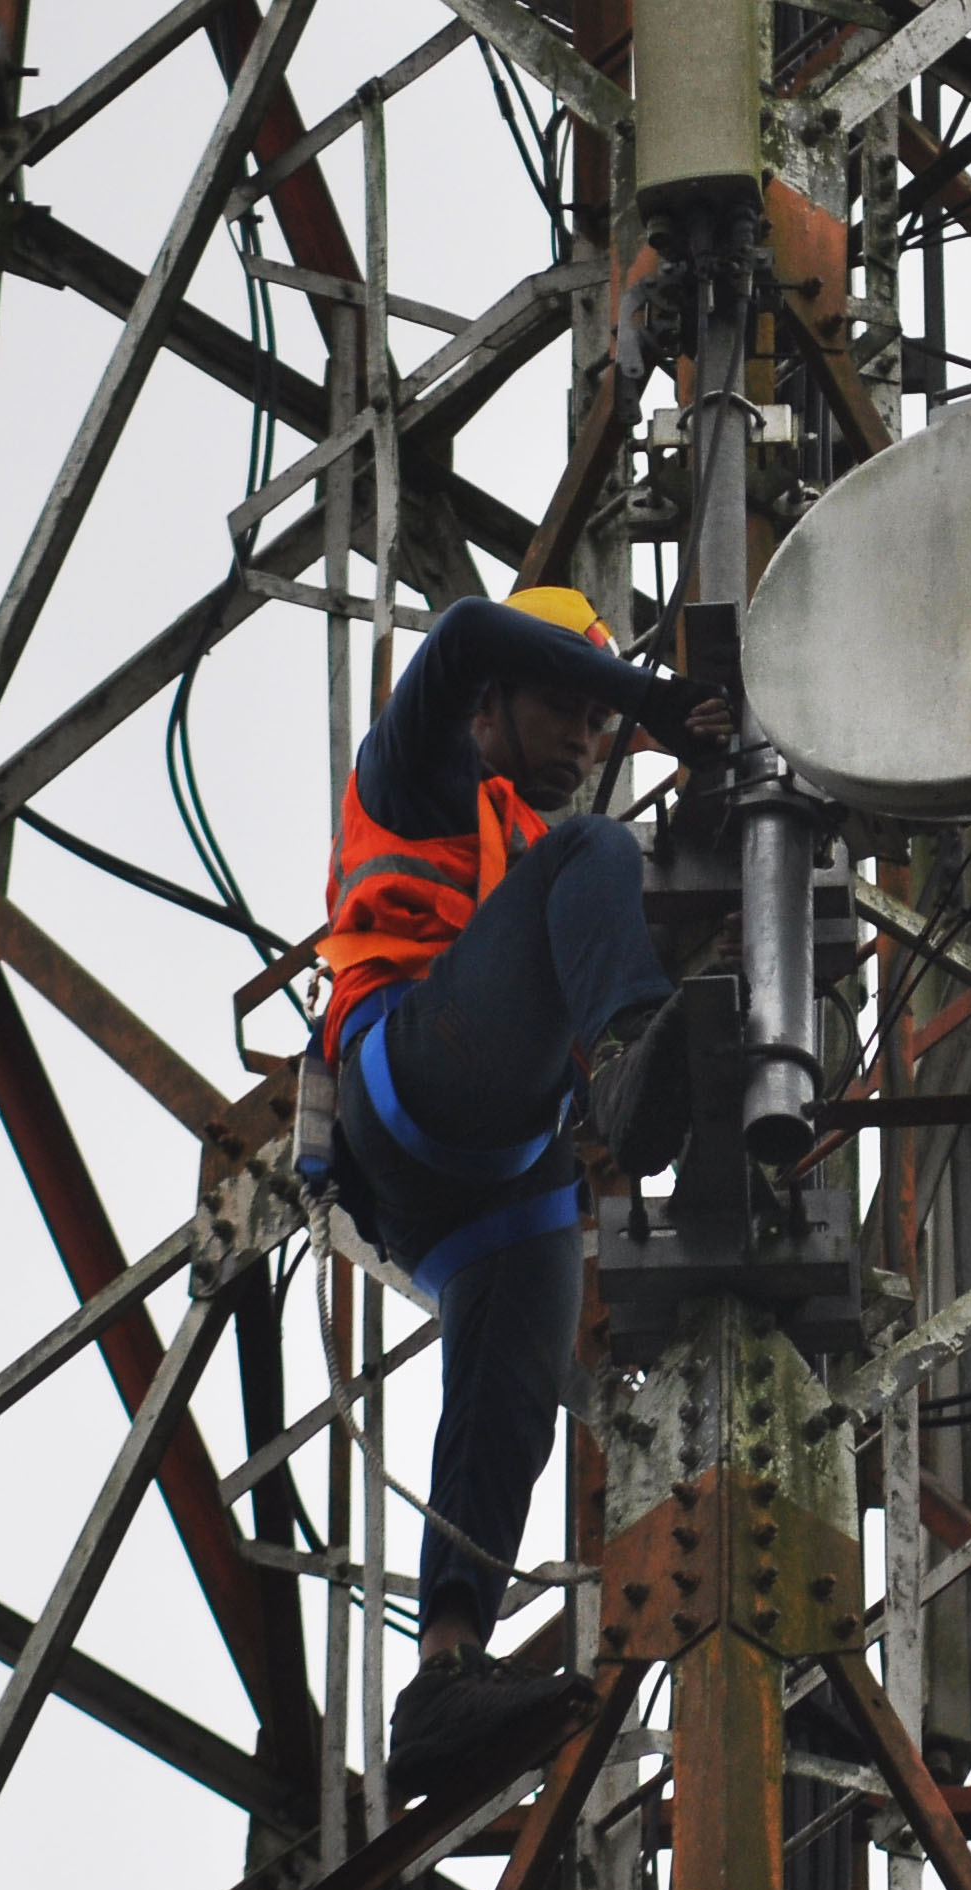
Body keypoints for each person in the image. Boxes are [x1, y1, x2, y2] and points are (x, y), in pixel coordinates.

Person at [315, 585, 732, 1799]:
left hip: (482, 1177)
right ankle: (622, 1063)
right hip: (409, 1074)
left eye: (600, 728)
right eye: (565, 706)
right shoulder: (422, 773)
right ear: (489, 707)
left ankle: (443, 1673)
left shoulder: (529, 847)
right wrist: (648, 699)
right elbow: (458, 633)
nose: (586, 738)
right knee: (593, 851)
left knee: (510, 1401)